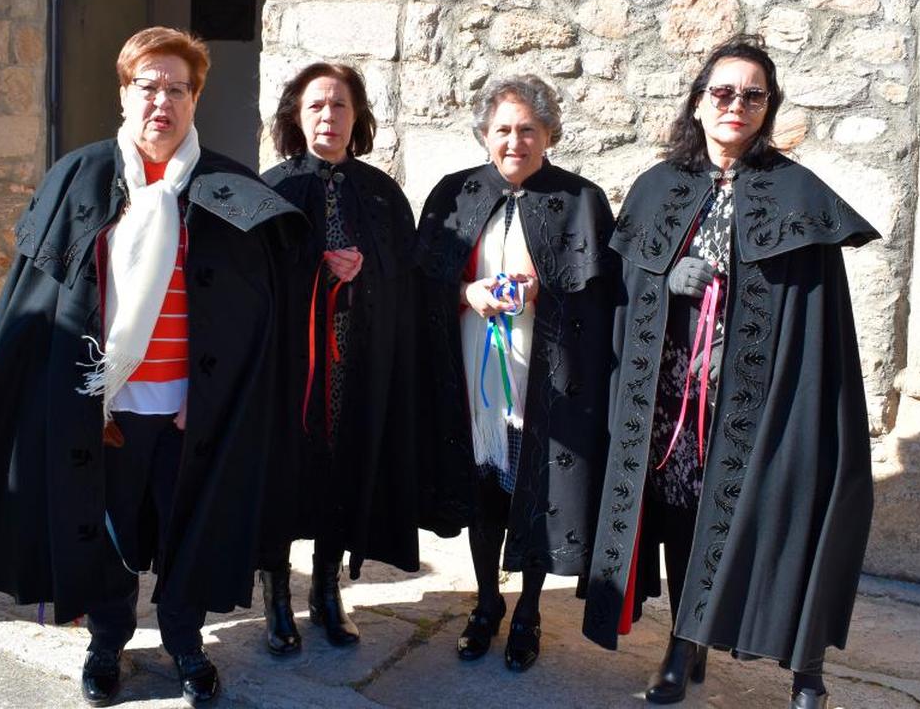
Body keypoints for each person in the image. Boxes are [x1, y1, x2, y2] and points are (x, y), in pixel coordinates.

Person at [0, 27, 305, 708]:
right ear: (124, 93)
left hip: (188, 409)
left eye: (178, 88)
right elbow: (40, 299)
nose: (161, 102)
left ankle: (184, 643)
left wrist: (214, 396)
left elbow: (256, 312)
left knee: (188, 529)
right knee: (104, 532)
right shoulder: (78, 177)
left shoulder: (228, 184)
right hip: (103, 408)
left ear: (196, 97)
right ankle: (108, 641)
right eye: (148, 86)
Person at [582, 36, 879, 709]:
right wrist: (662, 276)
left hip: (762, 404)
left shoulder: (797, 194)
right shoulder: (661, 187)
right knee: (686, 519)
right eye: (722, 92)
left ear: (767, 108)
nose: (735, 106)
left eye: (753, 95)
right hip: (673, 400)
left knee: (788, 520)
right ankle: (684, 649)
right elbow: (627, 290)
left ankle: (806, 672)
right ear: (699, 101)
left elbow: (817, 321)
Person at [416, 75, 614, 673]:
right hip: (474, 369)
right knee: (482, 492)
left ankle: (528, 609)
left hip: (546, 376)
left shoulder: (581, 199)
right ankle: (486, 602)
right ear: (484, 134)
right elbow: (423, 280)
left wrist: (542, 293)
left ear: (549, 133)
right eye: (502, 129)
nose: (515, 141)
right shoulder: (454, 193)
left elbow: (604, 296)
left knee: (535, 490)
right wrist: (466, 290)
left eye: (529, 129)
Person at [256, 62, 420, 655]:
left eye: (340, 106)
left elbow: (404, 276)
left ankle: (327, 590)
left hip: (356, 364)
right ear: (296, 118)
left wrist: (365, 269)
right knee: (283, 476)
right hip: (289, 369)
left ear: (358, 116)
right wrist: (315, 268)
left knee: (341, 469)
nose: (329, 117)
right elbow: (252, 282)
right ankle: (277, 598)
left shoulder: (381, 193)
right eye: (316, 106)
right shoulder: (269, 189)